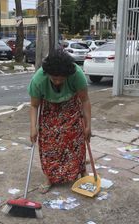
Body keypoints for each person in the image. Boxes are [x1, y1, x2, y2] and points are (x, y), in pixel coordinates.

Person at [27, 49, 92, 194]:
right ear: (47, 73)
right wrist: (33, 127)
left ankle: (82, 172)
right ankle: (50, 178)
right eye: (54, 78)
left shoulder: (77, 75)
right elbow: (34, 105)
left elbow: (85, 100)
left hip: (71, 105)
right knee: (49, 144)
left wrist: (88, 125)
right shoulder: (39, 80)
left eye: (61, 78)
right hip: (49, 108)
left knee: (76, 140)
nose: (57, 81)